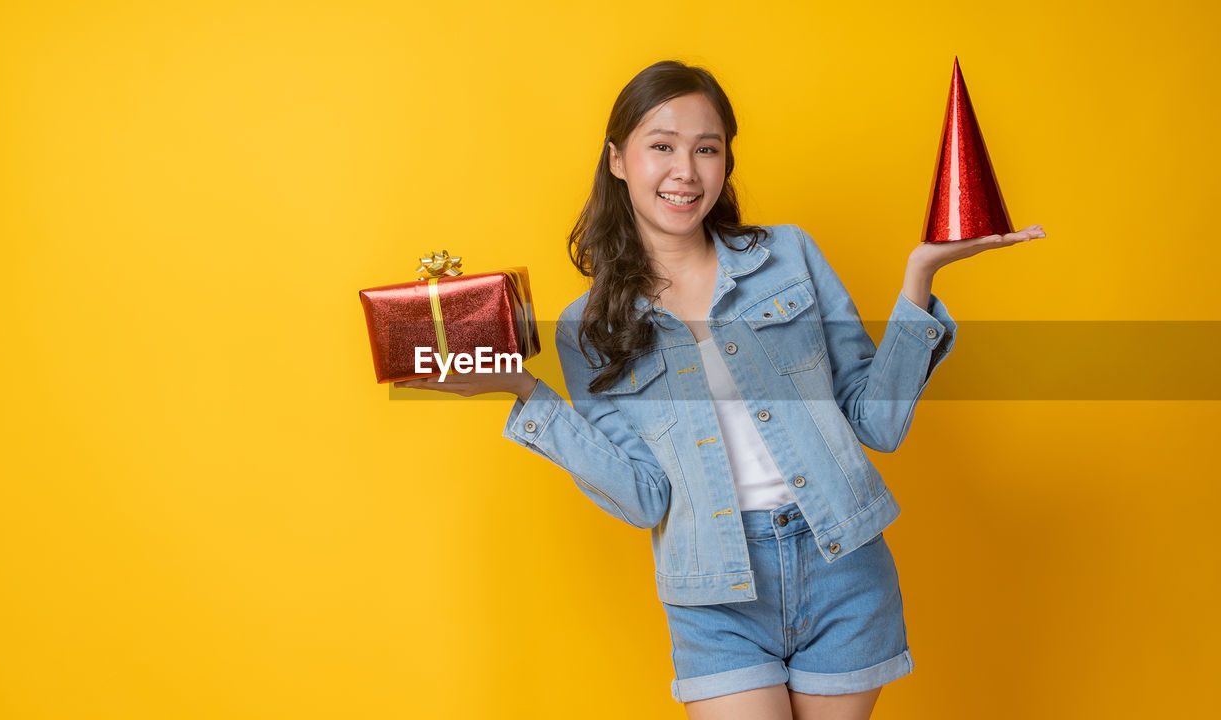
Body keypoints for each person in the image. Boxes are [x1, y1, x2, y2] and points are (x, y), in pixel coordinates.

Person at [395, 60, 1045, 720]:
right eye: (662, 146)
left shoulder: (790, 256)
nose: (685, 171)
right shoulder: (588, 325)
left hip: (841, 562)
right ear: (617, 159)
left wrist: (919, 281)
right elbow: (644, 497)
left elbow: (877, 423)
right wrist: (525, 393)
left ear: (726, 162)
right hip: (713, 590)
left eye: (707, 149)